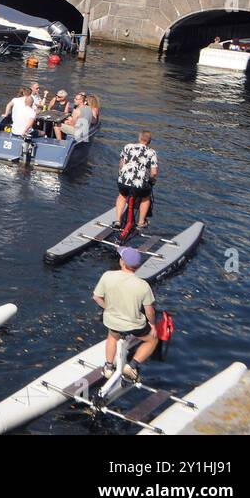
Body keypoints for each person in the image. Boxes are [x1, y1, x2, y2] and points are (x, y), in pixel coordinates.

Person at [93, 246, 158, 382]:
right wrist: (152, 325)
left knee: (112, 336)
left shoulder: (108, 275)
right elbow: (149, 310)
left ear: (122, 262)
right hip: (134, 325)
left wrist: (108, 308)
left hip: (113, 321)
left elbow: (97, 297)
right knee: (152, 340)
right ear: (138, 266)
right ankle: (132, 366)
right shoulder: (143, 285)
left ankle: (109, 367)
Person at [115, 130, 158, 229]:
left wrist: (122, 175)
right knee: (146, 197)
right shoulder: (151, 152)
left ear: (139, 138)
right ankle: (141, 222)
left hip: (123, 181)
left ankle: (117, 220)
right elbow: (154, 172)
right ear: (149, 141)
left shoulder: (128, 146)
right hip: (139, 184)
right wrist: (152, 180)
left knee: (122, 195)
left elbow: (121, 164)